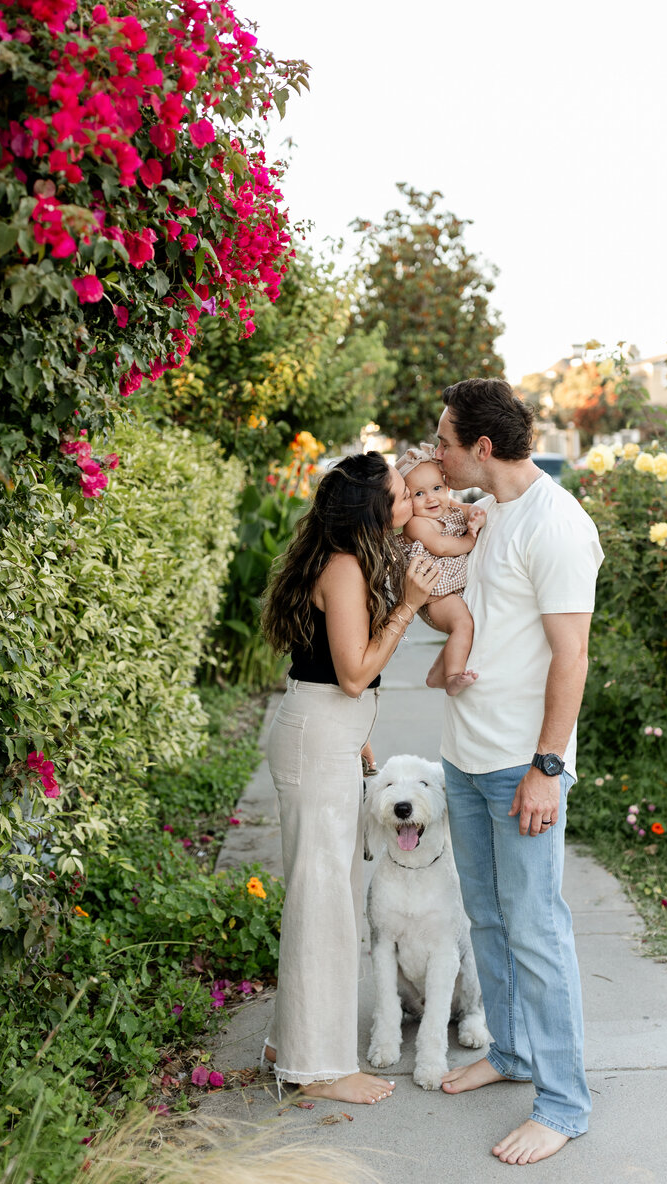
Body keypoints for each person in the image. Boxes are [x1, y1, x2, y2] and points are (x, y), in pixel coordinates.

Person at [432, 379, 604, 1165]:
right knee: (489, 918)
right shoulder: (495, 510)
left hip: (518, 766)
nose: (436, 453)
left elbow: (572, 655)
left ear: (483, 448)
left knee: (536, 929)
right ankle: (511, 1053)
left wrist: (545, 767)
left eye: (444, 441)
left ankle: (563, 1103)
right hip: (465, 754)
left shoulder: (558, 526)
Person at [260, 451, 440, 1104]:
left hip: (331, 740)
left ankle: (291, 1043)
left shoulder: (350, 560)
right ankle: (319, 1069)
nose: (409, 503)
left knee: (327, 897)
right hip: (317, 742)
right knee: (324, 906)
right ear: (372, 507)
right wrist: (408, 607)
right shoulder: (342, 568)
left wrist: (362, 739)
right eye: (399, 494)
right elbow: (354, 673)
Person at [394, 442, 486, 695]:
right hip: (436, 594)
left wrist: (477, 513)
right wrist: (469, 540)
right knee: (463, 624)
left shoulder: (447, 505)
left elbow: (469, 509)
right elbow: (441, 547)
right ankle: (453, 676)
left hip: (453, 587)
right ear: (407, 499)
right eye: (419, 494)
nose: (431, 498)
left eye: (437, 488)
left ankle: (436, 673)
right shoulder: (416, 524)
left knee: (471, 620)